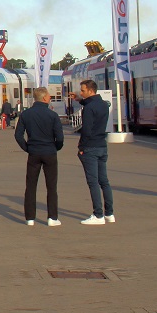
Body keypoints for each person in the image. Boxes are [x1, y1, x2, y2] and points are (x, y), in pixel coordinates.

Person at [15, 87, 64, 226]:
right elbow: (59, 137)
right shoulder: (52, 115)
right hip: (49, 152)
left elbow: (18, 135)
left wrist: (27, 148)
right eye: (49, 96)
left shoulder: (26, 114)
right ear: (43, 98)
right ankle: (52, 217)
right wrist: (56, 147)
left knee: (30, 185)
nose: (50, 98)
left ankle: (30, 218)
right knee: (51, 186)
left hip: (34, 152)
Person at [69, 79, 113, 225]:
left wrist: (81, 147)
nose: (80, 93)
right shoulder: (103, 104)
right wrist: (78, 99)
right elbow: (90, 103)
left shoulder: (89, 108)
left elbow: (86, 129)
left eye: (82, 91)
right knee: (104, 181)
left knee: (93, 182)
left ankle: (98, 215)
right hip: (102, 145)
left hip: (91, 147)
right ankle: (109, 213)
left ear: (90, 90)